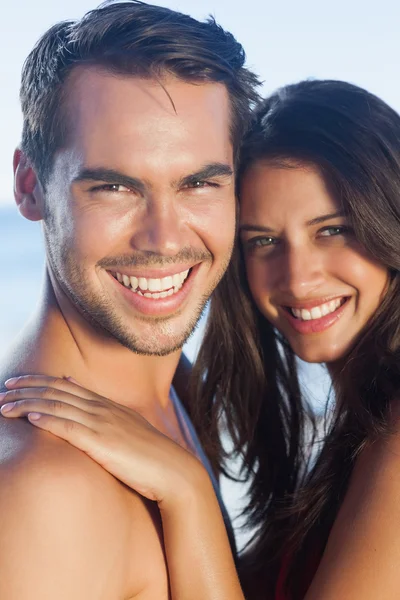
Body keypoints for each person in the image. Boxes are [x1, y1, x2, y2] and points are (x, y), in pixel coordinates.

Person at [4, 78, 400, 599]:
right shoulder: (180, 396)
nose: (298, 278)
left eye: (333, 230)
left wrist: (187, 492)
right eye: (262, 240)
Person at [0, 1, 260, 598]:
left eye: (198, 183)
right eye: (114, 187)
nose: (165, 238)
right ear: (30, 185)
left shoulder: (176, 393)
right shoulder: (47, 491)